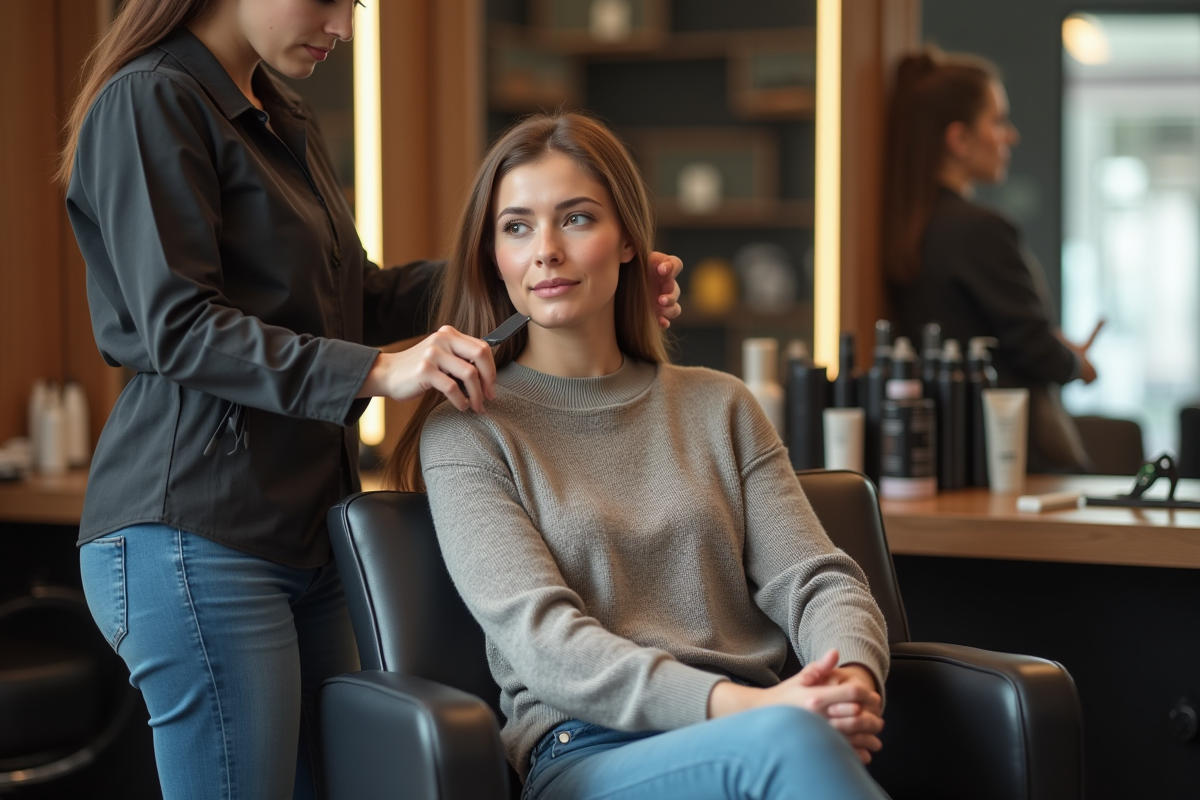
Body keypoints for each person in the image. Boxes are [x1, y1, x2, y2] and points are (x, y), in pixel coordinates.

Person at [57, 2, 682, 798]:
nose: (345, 27)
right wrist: (379, 373)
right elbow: (177, 327)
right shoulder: (150, 99)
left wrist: (545, 278)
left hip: (307, 529)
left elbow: (366, 296)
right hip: (196, 532)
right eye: (329, 0)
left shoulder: (281, 115)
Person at [388, 112, 891, 800]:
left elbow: (819, 582)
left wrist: (848, 686)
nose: (546, 252)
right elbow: (546, 645)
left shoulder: (720, 405)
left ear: (627, 239)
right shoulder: (470, 432)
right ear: (492, 257)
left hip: (769, 727)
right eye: (516, 227)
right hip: (590, 752)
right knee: (789, 743)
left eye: (576, 219)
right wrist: (759, 710)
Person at [883, 47, 1098, 473]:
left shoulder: (908, 227)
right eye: (998, 121)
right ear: (958, 138)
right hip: (1013, 456)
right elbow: (1033, 346)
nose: (1010, 136)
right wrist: (1078, 363)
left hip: (951, 454)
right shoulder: (981, 228)